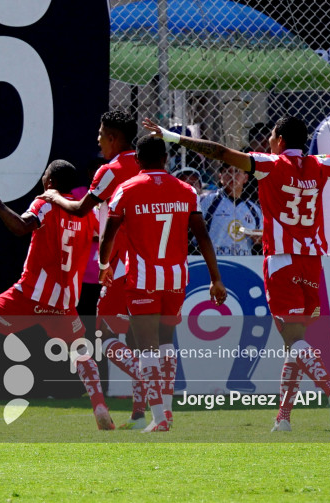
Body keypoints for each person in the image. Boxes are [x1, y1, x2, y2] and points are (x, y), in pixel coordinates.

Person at [144, 116, 330, 431]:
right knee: (296, 342)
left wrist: (173, 137)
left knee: (293, 340)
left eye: (272, 136)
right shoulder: (321, 165)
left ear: (278, 140)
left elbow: (220, 153)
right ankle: (284, 418)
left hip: (282, 261)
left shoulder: (269, 165)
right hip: (311, 261)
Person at [0, 161, 114, 433]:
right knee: (81, 350)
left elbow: (21, 226)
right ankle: (99, 405)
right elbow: (107, 236)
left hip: (30, 295)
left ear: (49, 182)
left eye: (44, 176)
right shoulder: (88, 213)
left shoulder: (46, 203)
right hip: (64, 302)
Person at [99, 135, 227, 432]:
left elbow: (109, 234)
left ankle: (157, 418)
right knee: (167, 344)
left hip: (143, 279)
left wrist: (104, 266)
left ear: (138, 161)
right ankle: (166, 412)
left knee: (146, 349)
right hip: (175, 278)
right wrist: (215, 278)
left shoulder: (126, 189)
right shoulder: (186, 190)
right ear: (166, 160)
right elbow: (202, 235)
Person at [38, 110, 149, 429]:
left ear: (114, 138)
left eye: (101, 134)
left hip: (121, 264)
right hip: (153, 264)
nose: (97, 140)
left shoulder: (110, 170)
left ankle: (148, 379)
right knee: (138, 341)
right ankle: (139, 415)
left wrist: (54, 196)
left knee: (109, 338)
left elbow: (81, 208)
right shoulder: (146, 165)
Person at [199, 163, 263, 256]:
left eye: (237, 171)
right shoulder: (207, 201)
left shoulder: (255, 209)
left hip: (246, 264)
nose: (232, 176)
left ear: (245, 178)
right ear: (220, 177)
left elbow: (263, 238)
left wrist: (259, 240)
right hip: (214, 260)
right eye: (227, 172)